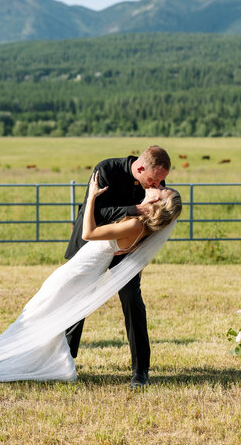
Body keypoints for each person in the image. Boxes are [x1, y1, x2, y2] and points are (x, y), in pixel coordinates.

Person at [0, 172, 181, 390]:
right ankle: (42, 357)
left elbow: (88, 234)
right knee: (42, 313)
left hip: (77, 272)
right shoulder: (147, 230)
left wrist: (92, 197)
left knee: (37, 313)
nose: (153, 188)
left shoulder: (133, 224)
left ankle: (31, 359)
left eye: (159, 190)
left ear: (157, 203)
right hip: (85, 272)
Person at [65, 145, 171, 388]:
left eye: (161, 181)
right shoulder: (106, 170)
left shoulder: (154, 181)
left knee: (132, 298)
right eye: (154, 180)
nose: (157, 185)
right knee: (77, 300)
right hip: (93, 244)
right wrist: (135, 209)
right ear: (141, 168)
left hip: (127, 248)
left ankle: (140, 371)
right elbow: (98, 214)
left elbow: (158, 216)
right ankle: (66, 359)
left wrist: (136, 244)